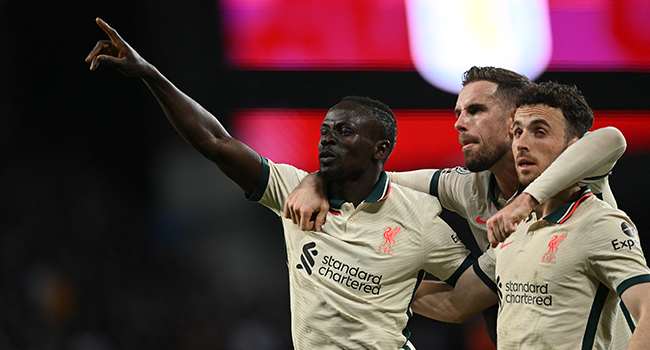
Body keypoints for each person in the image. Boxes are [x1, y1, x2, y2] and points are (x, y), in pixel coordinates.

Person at [86, 18, 476, 350]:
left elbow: (475, 294)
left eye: (344, 132)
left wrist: (396, 291)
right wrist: (151, 75)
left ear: (380, 148)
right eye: (325, 131)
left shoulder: (420, 218)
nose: (328, 139)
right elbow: (216, 142)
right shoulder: (293, 188)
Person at [282, 66, 627, 343]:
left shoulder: (574, 175)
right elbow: (373, 176)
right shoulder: (468, 186)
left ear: (515, 119)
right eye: (459, 112)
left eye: (475, 110)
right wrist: (315, 180)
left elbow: (611, 139)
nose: (460, 123)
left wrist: (526, 200)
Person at [411, 81, 650, 349]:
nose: (522, 144)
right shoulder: (514, 226)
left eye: (539, 132)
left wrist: (526, 199)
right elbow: (456, 304)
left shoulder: (599, 222)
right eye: (517, 133)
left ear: (575, 146)